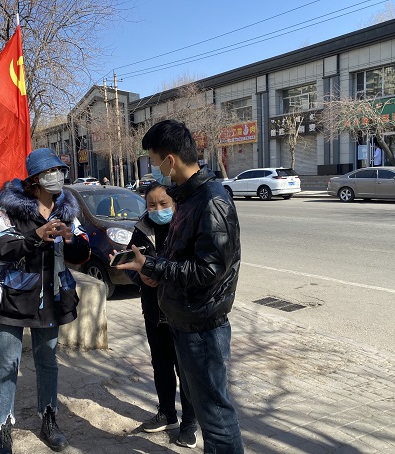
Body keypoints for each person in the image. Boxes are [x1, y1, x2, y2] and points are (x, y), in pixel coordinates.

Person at [114, 120, 244, 453]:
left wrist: (152, 265)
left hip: (203, 327)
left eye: (155, 161)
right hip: (185, 321)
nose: (155, 169)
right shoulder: (189, 199)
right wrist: (149, 271)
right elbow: (180, 258)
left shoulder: (211, 201)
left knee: (216, 417)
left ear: (170, 160)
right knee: (209, 412)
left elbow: (209, 270)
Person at [0, 148, 91, 454]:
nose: (58, 176)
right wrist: (35, 235)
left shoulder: (67, 211)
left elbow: (83, 253)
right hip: (11, 298)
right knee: (7, 363)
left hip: (50, 299)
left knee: (48, 362)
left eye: (60, 171)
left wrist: (70, 238)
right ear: (35, 180)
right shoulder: (10, 211)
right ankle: (0, 427)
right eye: (51, 171)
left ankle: (49, 419)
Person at [125, 182, 198, 448]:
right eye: (151, 205)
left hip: (181, 312)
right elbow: (131, 263)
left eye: (163, 203)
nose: (158, 209)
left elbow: (194, 268)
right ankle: (167, 413)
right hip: (154, 312)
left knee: (185, 369)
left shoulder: (186, 226)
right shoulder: (141, 229)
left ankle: (190, 423)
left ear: (174, 203)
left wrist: (162, 274)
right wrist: (141, 276)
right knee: (161, 364)